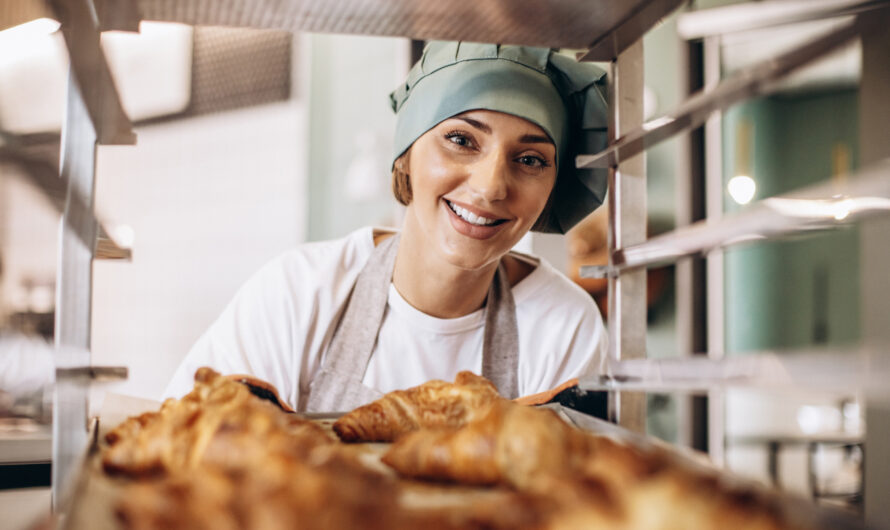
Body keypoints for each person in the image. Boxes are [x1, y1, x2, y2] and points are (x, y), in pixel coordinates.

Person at [165, 41, 610, 412]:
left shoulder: (562, 326)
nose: (491, 187)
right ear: (406, 155)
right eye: (460, 140)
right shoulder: (297, 294)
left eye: (530, 159)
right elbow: (187, 451)